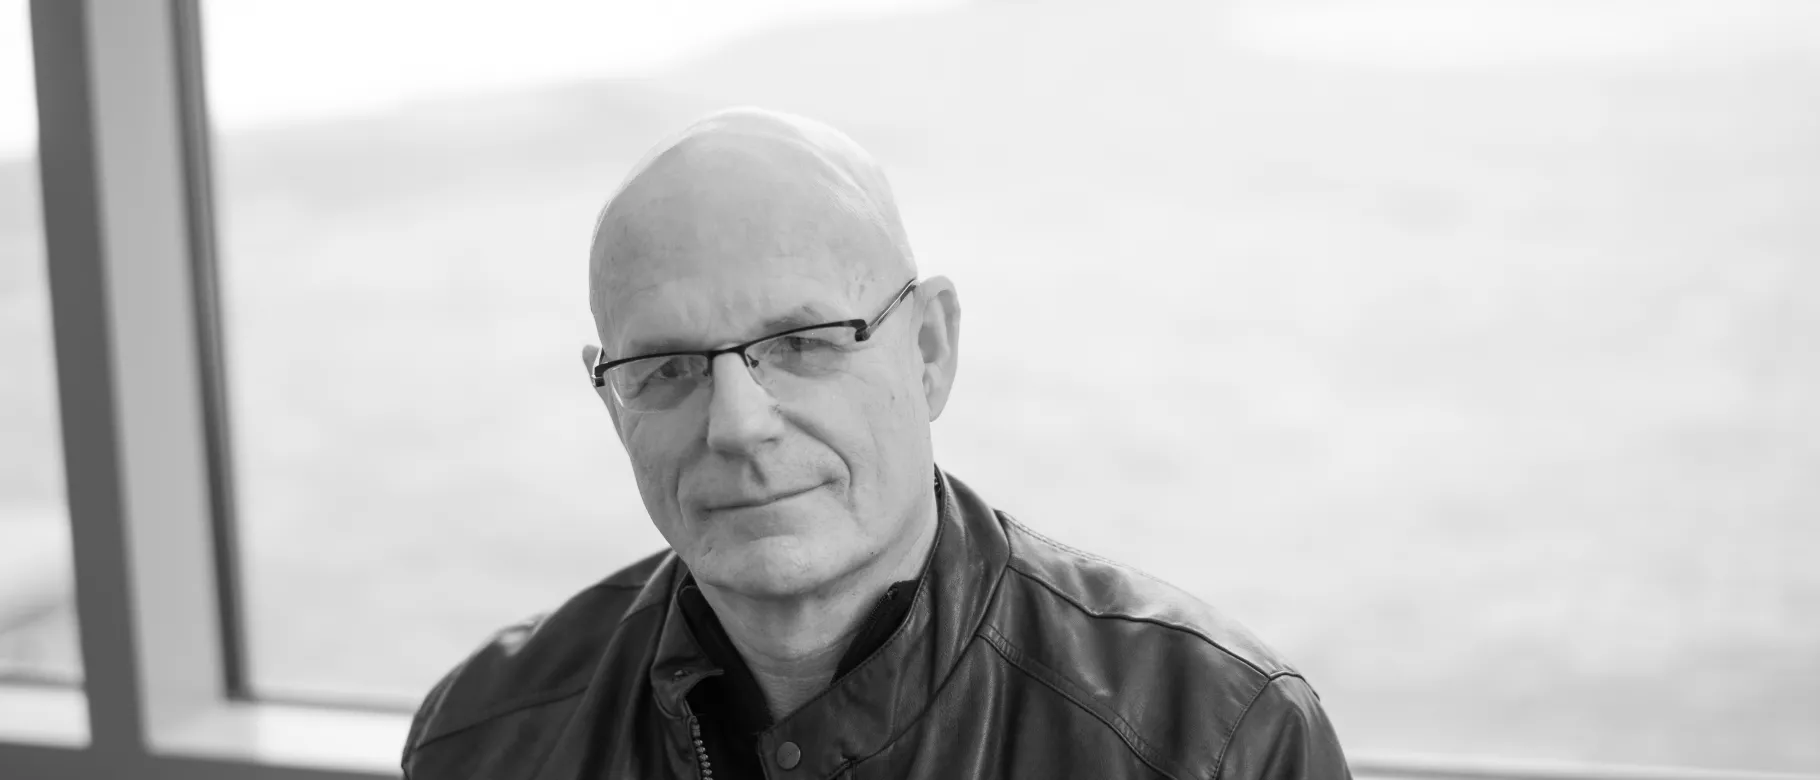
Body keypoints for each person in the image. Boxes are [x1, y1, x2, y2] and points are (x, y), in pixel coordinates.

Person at [400, 107, 1350, 779]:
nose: (737, 423)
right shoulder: (482, 738)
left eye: (801, 344)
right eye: (668, 367)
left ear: (929, 350)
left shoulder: (1216, 741)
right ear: (615, 405)